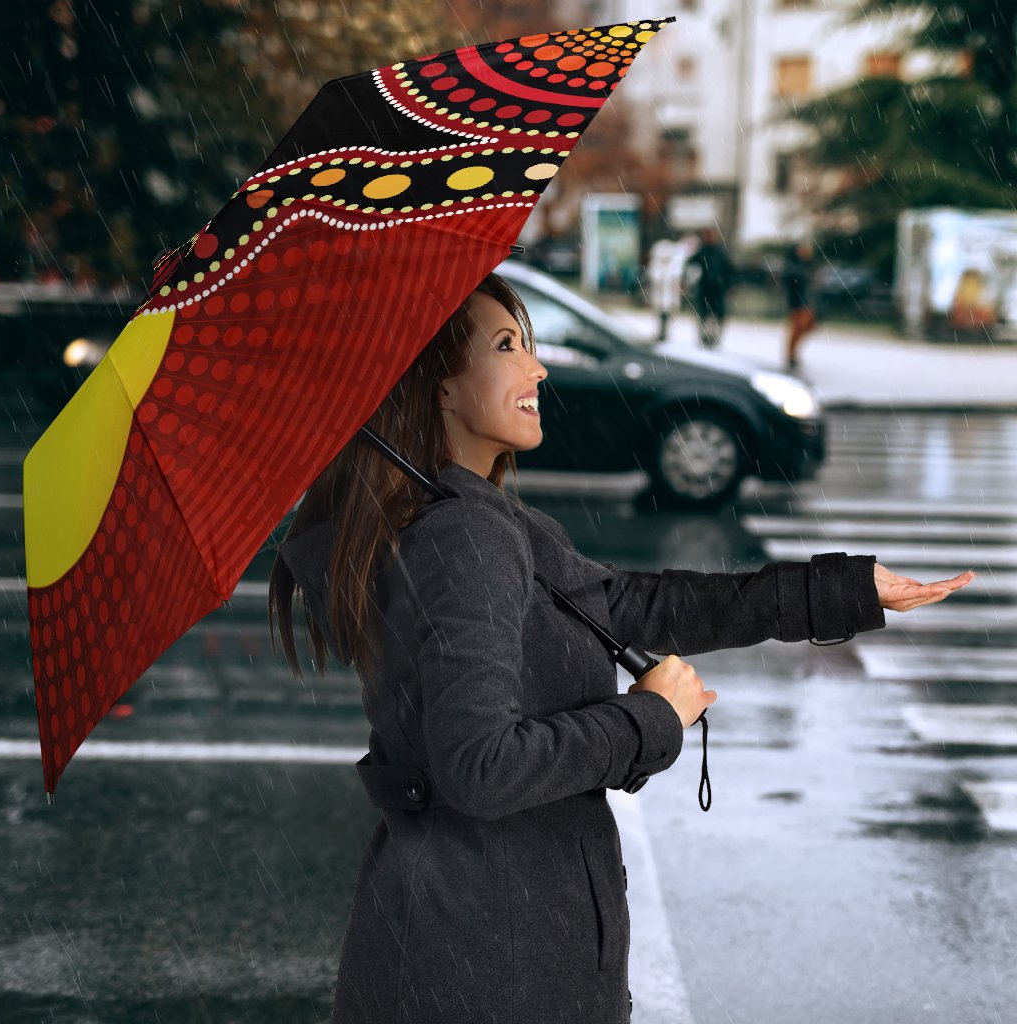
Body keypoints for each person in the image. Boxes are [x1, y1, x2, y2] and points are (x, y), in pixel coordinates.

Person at [269, 272, 975, 1024]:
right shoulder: (463, 537)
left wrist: (840, 590)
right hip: (489, 961)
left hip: (475, 943)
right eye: (508, 346)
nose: (537, 368)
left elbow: (638, 605)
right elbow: (479, 767)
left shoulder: (476, 521)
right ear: (439, 388)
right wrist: (647, 719)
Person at [684, 227, 735, 349]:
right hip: (706, 288)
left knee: (715, 314)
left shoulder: (719, 252)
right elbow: (691, 264)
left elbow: (729, 270)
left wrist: (729, 285)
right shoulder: (703, 251)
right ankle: (704, 336)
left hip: (717, 289)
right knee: (704, 313)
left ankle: (713, 337)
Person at [783, 241, 817, 370]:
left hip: (807, 302)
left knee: (807, 326)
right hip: (798, 302)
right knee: (797, 329)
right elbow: (792, 284)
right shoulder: (793, 266)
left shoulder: (807, 266)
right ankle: (791, 355)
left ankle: (793, 354)